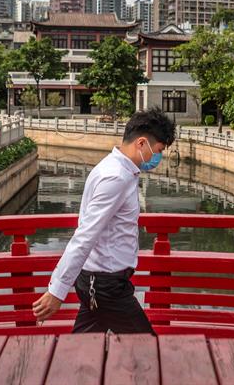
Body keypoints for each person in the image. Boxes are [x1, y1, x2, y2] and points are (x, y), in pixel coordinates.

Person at [32, 107, 176, 333]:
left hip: (100, 281)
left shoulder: (116, 169)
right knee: (145, 346)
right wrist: (57, 291)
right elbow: (85, 235)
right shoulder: (115, 178)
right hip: (105, 287)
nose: (157, 158)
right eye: (157, 151)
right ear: (141, 143)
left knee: (85, 345)